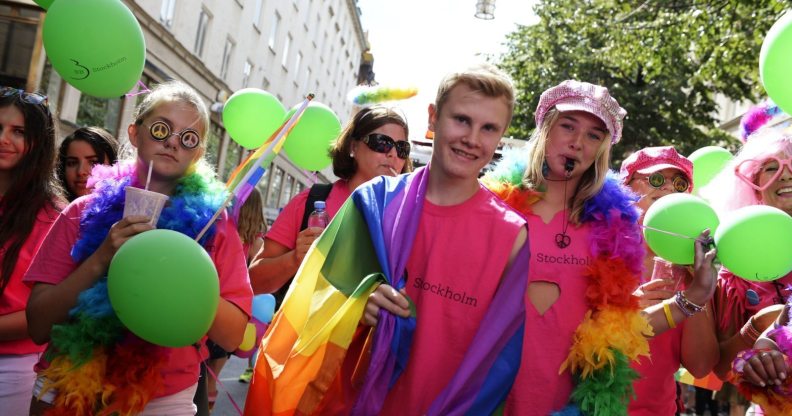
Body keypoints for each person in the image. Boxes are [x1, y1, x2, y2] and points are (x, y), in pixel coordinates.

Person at [478, 80, 717, 415]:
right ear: (545, 129)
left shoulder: (611, 229)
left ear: (602, 149)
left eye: (593, 135)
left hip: (571, 403)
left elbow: (615, 333)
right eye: (568, 126)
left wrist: (691, 299)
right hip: (488, 395)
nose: (577, 143)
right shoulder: (495, 206)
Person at [24, 81, 252, 415]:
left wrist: (181, 269)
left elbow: (232, 337)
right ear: (134, 133)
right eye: (162, 130)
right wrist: (102, 257)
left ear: (197, 153)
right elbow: (38, 324)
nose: (173, 143)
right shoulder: (82, 212)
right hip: (70, 386)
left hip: (162, 396)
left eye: (188, 138)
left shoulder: (215, 226)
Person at [358, 63, 529, 415]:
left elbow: (500, 359)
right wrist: (355, 303)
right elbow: (313, 301)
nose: (472, 139)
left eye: (489, 128)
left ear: (501, 136)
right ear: (433, 118)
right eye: (462, 120)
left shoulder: (512, 234)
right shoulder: (376, 202)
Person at [248, 105, 412, 301]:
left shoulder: (409, 218)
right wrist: (295, 258)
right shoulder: (311, 202)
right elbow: (253, 281)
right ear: (353, 147)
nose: (393, 153)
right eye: (382, 143)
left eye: (402, 148)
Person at [621, 146, 720, 415]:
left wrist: (695, 291)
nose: (667, 188)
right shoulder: (599, 249)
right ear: (626, 189)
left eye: (679, 184)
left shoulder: (693, 268)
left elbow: (700, 366)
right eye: (655, 178)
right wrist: (625, 308)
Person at [700, 126, 792, 414]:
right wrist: (757, 327)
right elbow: (722, 367)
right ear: (753, 183)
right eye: (772, 168)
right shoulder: (738, 264)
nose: (786, 175)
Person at [0, 87, 63, 416]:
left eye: (18, 131)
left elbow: (43, 313)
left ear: (38, 142)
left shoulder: (53, 217)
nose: (3, 139)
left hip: (14, 368)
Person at [56, 126, 119, 202]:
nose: (80, 172)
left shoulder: (130, 211)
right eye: (72, 163)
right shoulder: (48, 208)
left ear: (114, 164)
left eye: (93, 162)